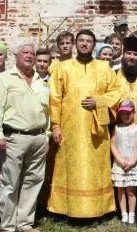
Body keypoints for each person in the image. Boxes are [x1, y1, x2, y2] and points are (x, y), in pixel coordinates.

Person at [48, 30, 123, 219]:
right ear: (75, 44)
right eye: (81, 40)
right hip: (69, 129)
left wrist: (99, 101)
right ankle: (65, 208)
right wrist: (55, 125)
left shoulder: (104, 68)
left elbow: (116, 93)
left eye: (88, 41)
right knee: (69, 167)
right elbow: (54, 98)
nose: (84, 44)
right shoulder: (63, 67)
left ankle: (100, 208)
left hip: (95, 131)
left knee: (96, 168)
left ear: (94, 45)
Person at [0, 43, 50, 232]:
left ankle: (25, 222)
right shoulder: (5, 79)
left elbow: (47, 111)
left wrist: (46, 135)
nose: (29, 56)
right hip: (14, 137)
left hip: (38, 137)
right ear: (16, 56)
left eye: (32, 53)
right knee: (9, 182)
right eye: (25, 52)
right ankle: (7, 226)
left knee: (33, 180)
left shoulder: (42, 81)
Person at [111, 100, 137, 225]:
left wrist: (133, 161)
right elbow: (113, 145)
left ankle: (132, 214)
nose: (125, 115)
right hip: (119, 164)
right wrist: (119, 160)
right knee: (120, 190)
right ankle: (123, 214)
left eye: (128, 113)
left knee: (131, 190)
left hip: (132, 164)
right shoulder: (116, 128)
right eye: (123, 113)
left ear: (134, 113)